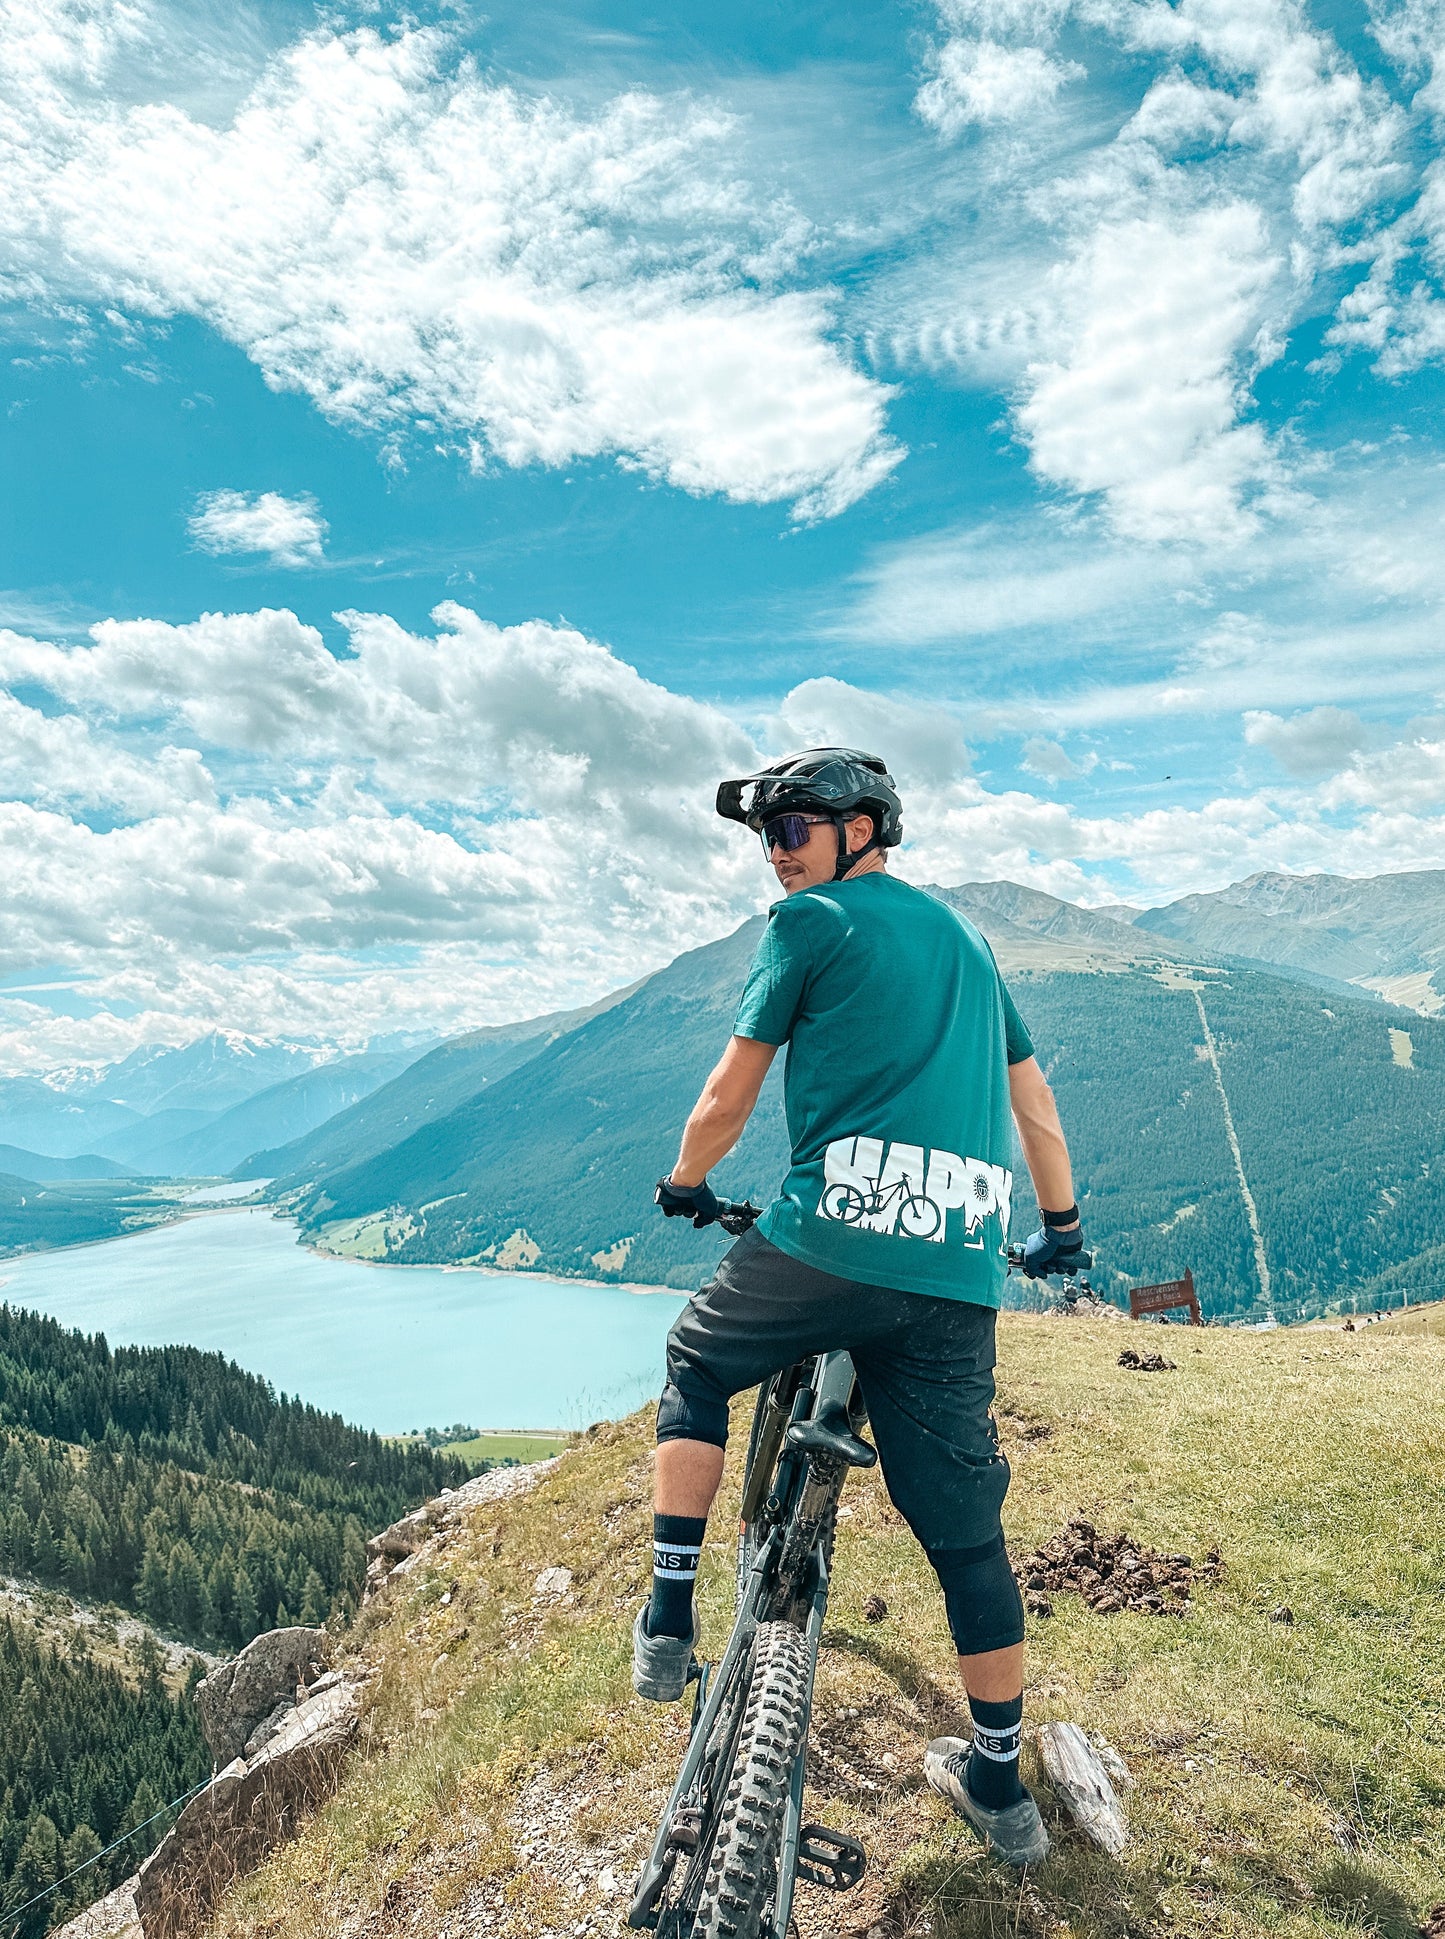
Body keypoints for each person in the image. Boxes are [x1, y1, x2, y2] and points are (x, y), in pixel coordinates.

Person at [632, 747, 1085, 1869]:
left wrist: (686, 1185)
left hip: (828, 1238)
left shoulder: (807, 929)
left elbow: (727, 1093)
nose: (774, 855)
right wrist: (1060, 1224)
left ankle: (666, 1611)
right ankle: (998, 1789)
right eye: (766, 835)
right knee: (966, 1538)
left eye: (790, 830)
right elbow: (1032, 1099)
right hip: (955, 1274)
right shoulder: (971, 947)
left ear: (859, 829)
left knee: (694, 1364)